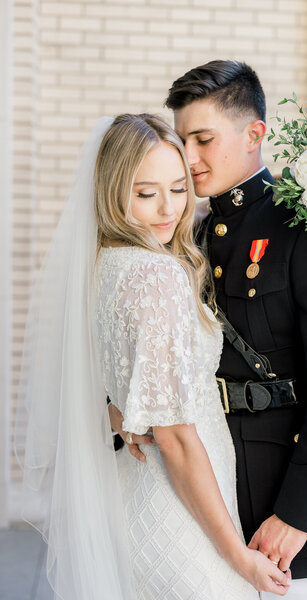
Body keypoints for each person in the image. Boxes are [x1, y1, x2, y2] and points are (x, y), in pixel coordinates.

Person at [110, 61, 307, 600]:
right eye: (183, 141)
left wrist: (299, 514)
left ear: (254, 134)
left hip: (302, 512)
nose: (189, 159)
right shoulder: (191, 232)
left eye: (203, 139)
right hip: (219, 496)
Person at [16, 113, 291, 600]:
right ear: (112, 192)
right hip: (180, 511)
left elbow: (101, 380)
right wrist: (236, 557)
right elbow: (177, 438)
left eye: (178, 188)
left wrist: (118, 411)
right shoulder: (155, 275)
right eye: (145, 194)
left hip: (138, 494)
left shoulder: (102, 265)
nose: (168, 208)